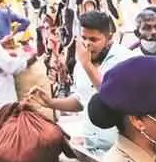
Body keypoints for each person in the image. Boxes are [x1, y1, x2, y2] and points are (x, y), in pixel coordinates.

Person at [28, 11, 132, 150]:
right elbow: (82, 100)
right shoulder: (82, 61)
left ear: (109, 38)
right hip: (92, 146)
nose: (87, 44)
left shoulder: (124, 59)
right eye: (84, 38)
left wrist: (87, 65)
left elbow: (111, 97)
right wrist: (51, 103)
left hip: (121, 148)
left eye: (94, 39)